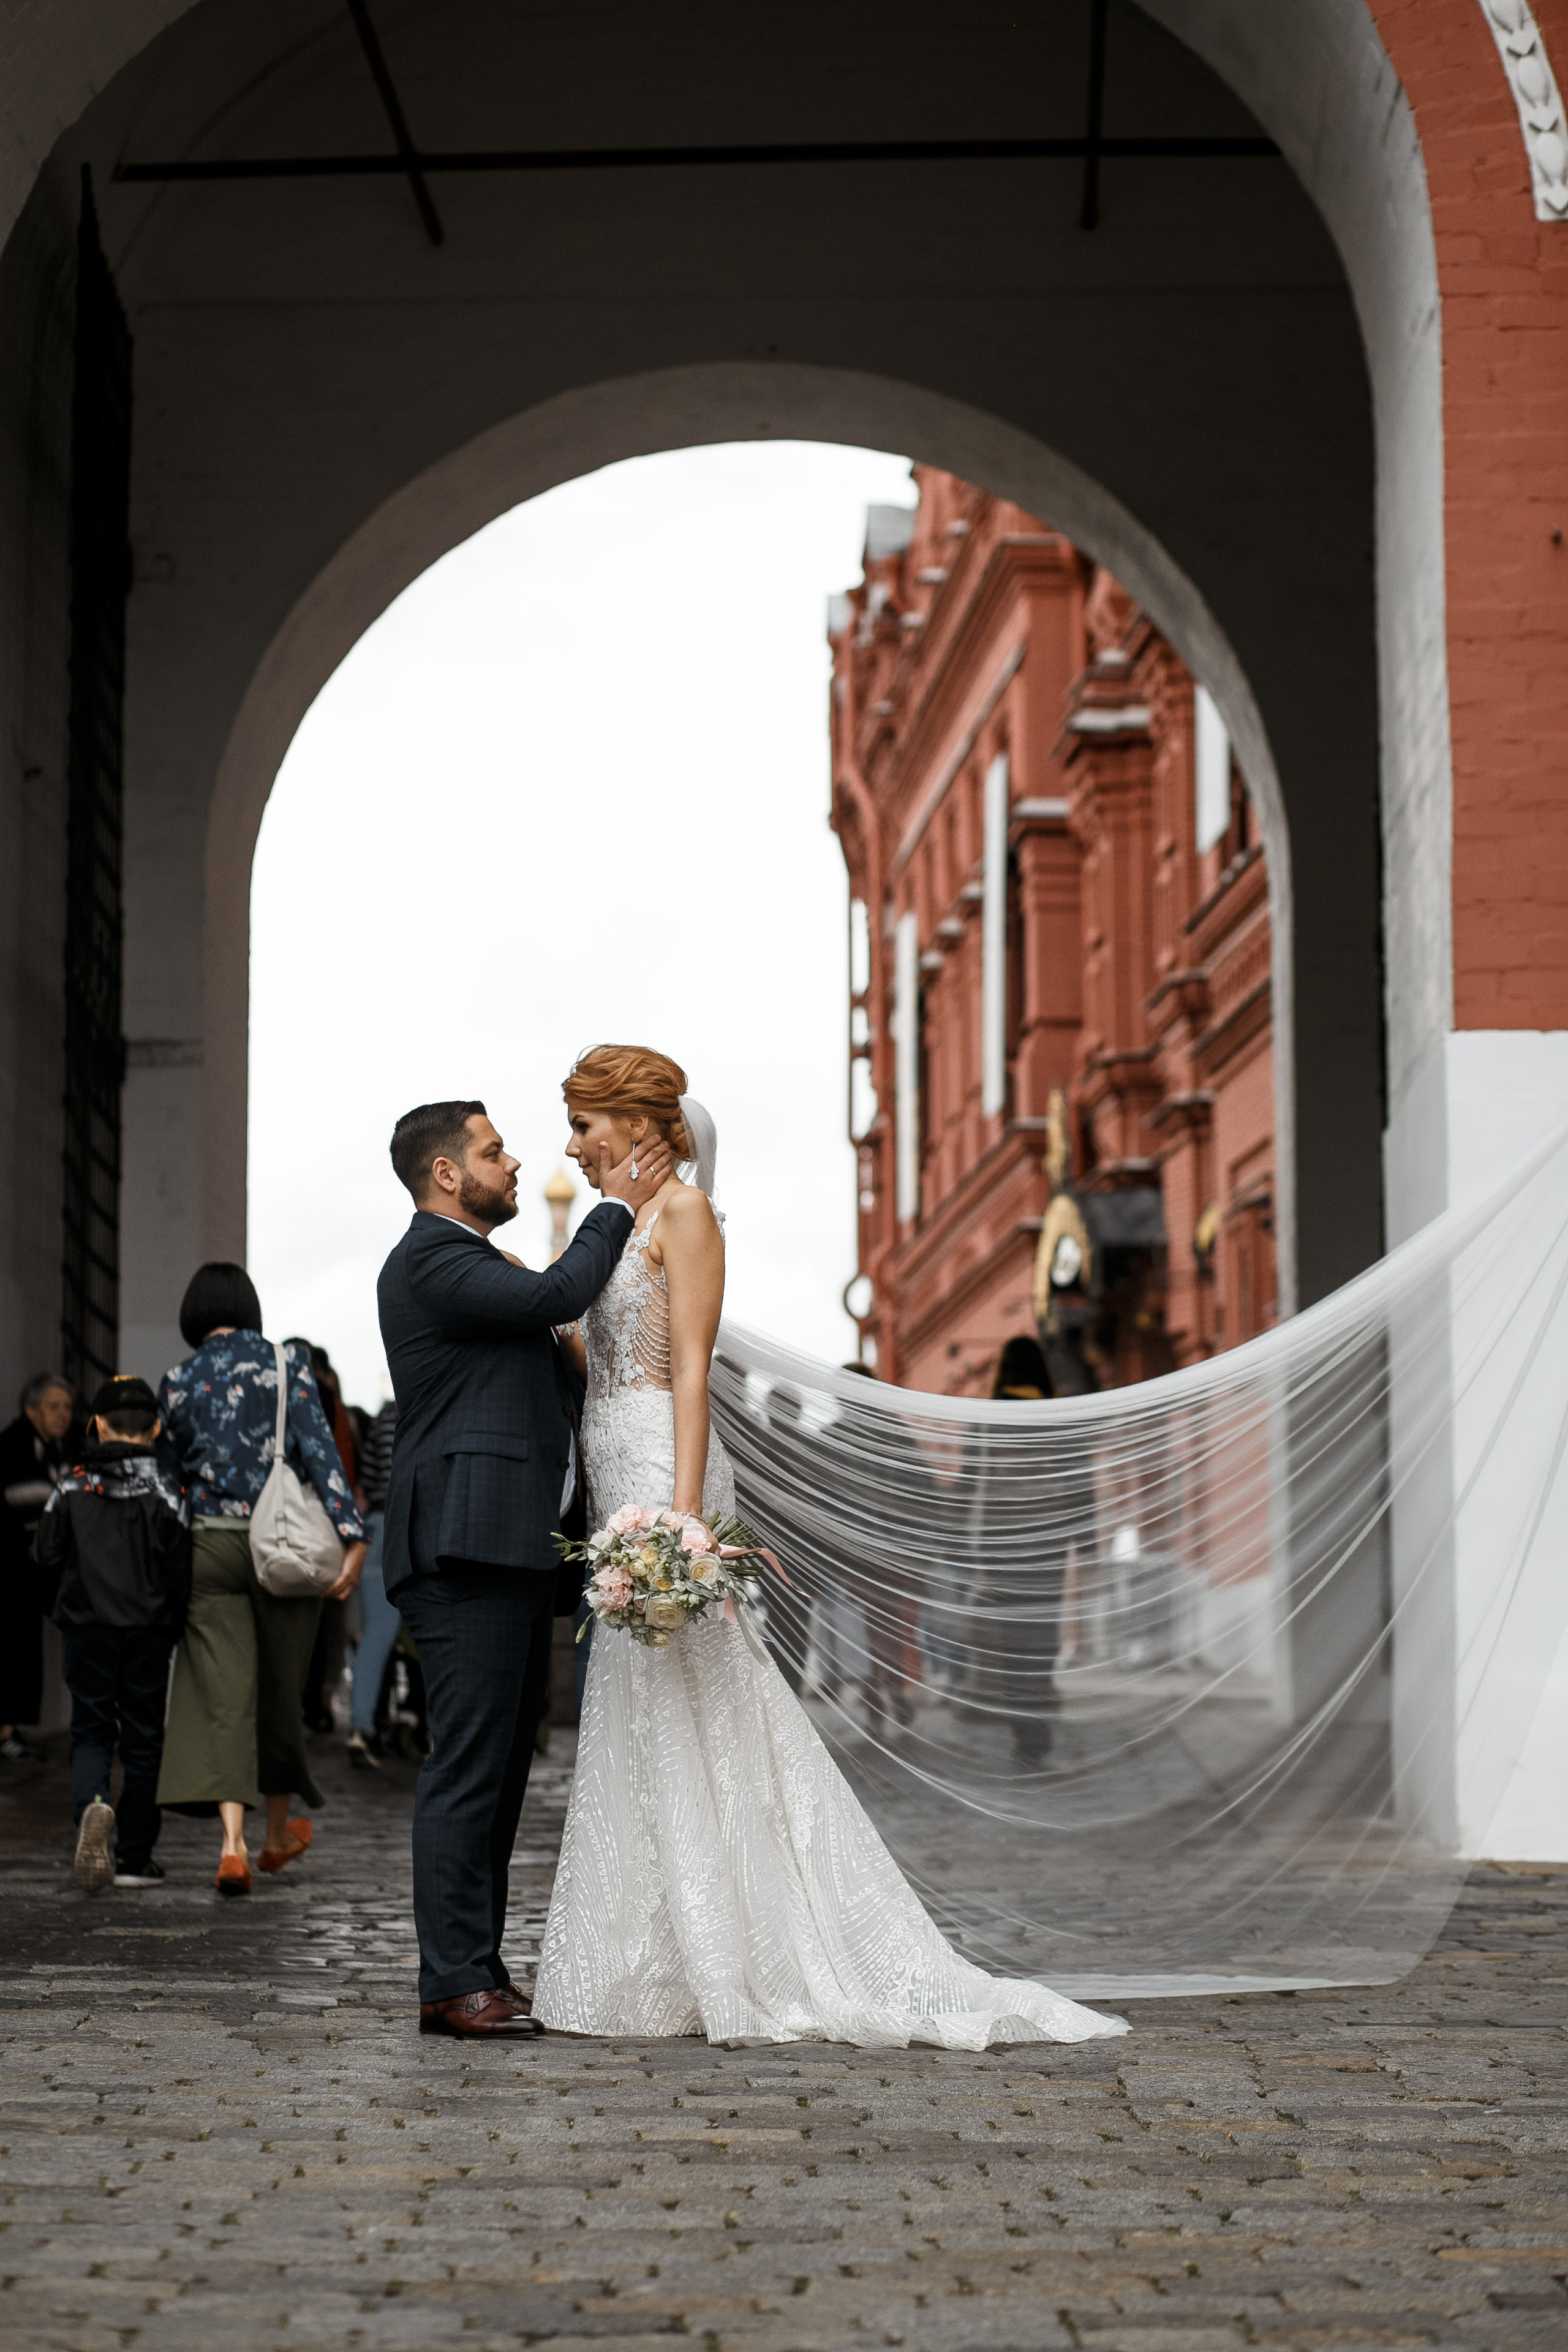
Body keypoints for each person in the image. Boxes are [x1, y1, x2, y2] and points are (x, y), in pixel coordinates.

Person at [533, 1045, 1125, 2048]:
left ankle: (734, 1945)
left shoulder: (685, 1216)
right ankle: (661, 1948)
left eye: (586, 1124)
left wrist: (682, 1518)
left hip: (662, 1469)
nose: (573, 1144)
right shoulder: (616, 1225)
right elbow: (609, 1354)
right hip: (612, 1456)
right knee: (640, 1701)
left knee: (698, 1691)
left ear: (635, 1125)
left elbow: (689, 1377)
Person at [376, 1096, 671, 2040]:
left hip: (501, 1545)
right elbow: (557, 1295)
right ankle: (455, 1979)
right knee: (469, 1766)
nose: (515, 1164)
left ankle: (476, 1972)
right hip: (462, 1543)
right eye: (494, 1152)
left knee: (500, 1769)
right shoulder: (432, 1255)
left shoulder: (469, 1262)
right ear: (447, 1175)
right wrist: (618, 1205)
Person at [154, 1263, 366, 1894]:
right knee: (279, 1687)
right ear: (248, 1308)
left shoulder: (177, 1380)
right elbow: (322, 1455)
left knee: (221, 1695)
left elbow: (168, 1483)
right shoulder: (286, 1365)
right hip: (281, 1546)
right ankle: (276, 1834)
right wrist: (352, 1536)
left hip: (209, 1547)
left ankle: (231, 1846)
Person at [34, 1376, 191, 1891]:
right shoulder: (169, 1489)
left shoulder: (71, 1485)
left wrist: (62, 1610)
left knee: (92, 1730)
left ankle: (93, 1808)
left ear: (97, 1425)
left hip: (88, 1629)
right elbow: (181, 1569)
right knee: (145, 1739)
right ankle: (134, 1858)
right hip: (149, 1633)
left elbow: (45, 1557)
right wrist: (175, 1620)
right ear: (156, 1428)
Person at [0, 1372, 76, 1760]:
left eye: (67, 1407)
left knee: (22, 1649)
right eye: (53, 1406)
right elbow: (30, 1505)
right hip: (12, 1569)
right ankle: (6, 1735)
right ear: (31, 1410)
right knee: (14, 1649)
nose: (63, 1414)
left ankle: (9, 1732)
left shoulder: (56, 1450)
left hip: (32, 1570)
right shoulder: (14, 1445)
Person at [345, 1397, 401, 1768]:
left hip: (376, 1528)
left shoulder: (383, 1417)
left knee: (374, 1639)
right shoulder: (431, 1404)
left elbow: (366, 1477)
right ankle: (434, 1735)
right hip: (413, 1524)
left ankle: (360, 1727)